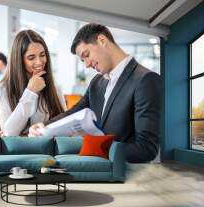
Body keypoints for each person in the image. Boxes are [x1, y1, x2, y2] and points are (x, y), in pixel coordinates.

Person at [29, 23, 160, 163]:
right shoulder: (97, 82)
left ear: (102, 41)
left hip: (127, 174)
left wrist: (98, 148)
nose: (86, 64)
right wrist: (45, 125)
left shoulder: (145, 80)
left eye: (86, 55)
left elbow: (146, 149)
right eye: (82, 60)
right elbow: (74, 112)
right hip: (100, 171)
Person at [0, 30, 67, 136]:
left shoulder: (54, 87)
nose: (39, 62)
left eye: (42, 55)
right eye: (31, 57)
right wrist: (30, 92)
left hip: (48, 149)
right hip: (20, 151)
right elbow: (9, 132)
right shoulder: (3, 88)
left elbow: (64, 124)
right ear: (19, 60)